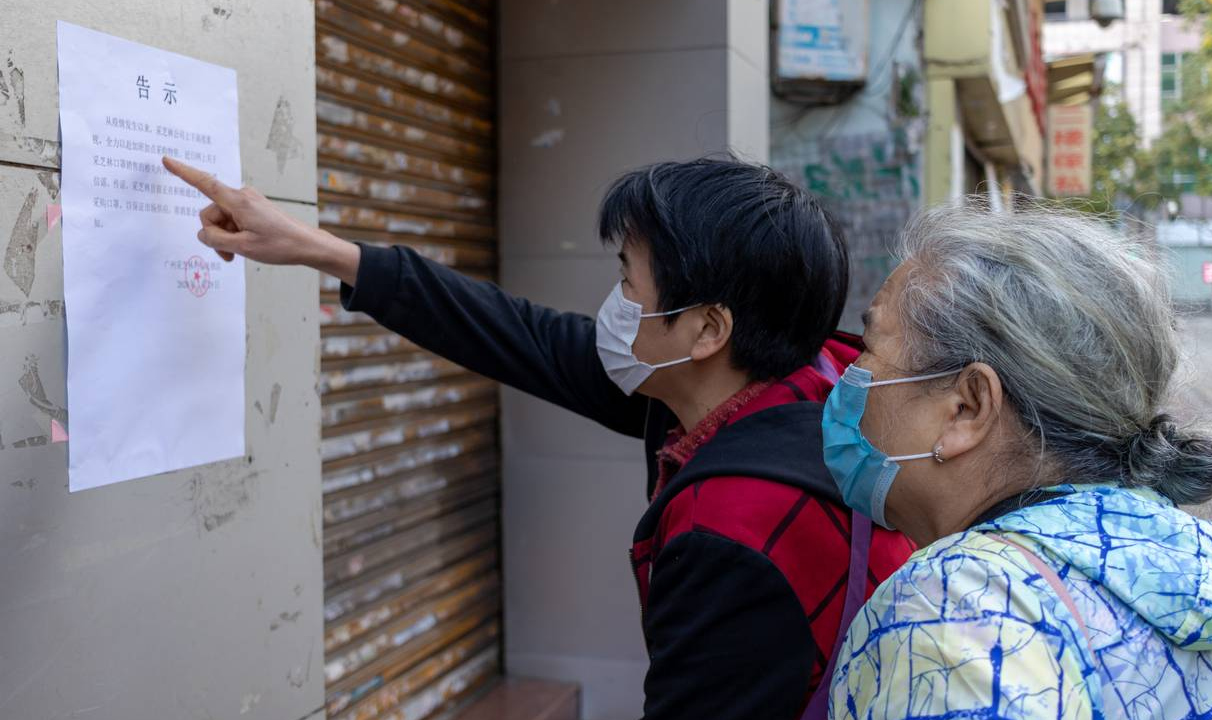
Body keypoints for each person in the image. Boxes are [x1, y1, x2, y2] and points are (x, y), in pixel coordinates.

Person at [162, 155, 916, 720]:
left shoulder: (735, 530)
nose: (614, 306)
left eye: (629, 283)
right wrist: (317, 248)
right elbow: (519, 336)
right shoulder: (809, 385)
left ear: (707, 329)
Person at [821, 201, 1212, 719]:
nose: (848, 376)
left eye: (868, 348)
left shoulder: (956, 617)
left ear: (967, 408)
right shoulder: (1198, 571)